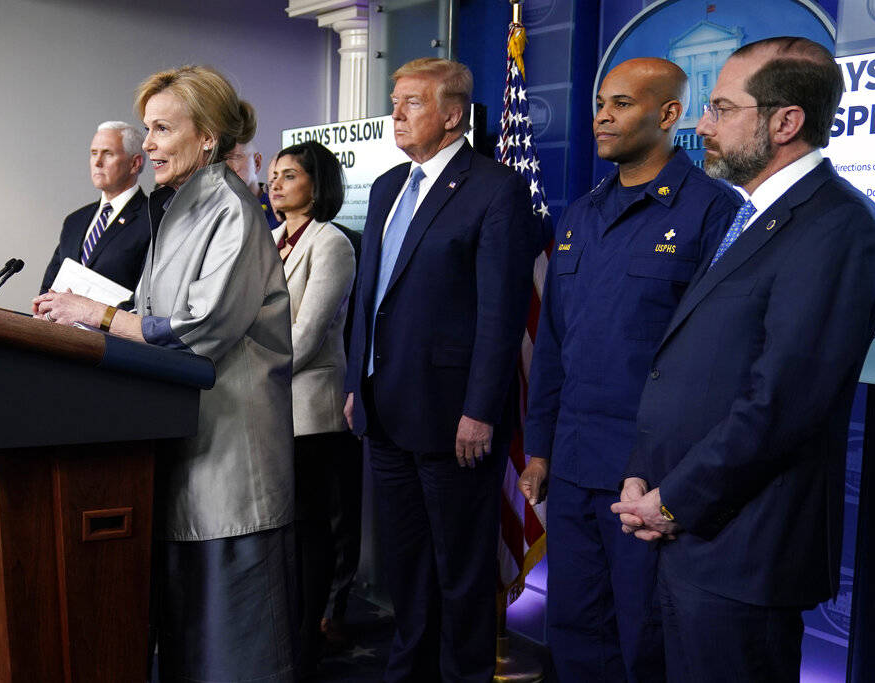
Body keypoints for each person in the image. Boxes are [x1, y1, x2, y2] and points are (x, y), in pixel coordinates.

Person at [611, 37, 875, 682]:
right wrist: (643, 475)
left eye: (721, 109)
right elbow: (695, 368)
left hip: (746, 551)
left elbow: (781, 403)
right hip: (690, 535)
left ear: (785, 122)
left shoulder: (836, 226)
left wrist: (673, 499)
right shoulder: (753, 215)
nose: (702, 126)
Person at [33, 65, 296, 683]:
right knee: (189, 645)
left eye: (160, 129)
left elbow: (201, 328)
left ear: (207, 137)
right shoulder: (178, 208)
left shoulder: (231, 209)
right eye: (146, 129)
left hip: (233, 458)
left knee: (236, 649)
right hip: (186, 446)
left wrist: (97, 314)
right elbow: (152, 317)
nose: (146, 144)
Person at [518, 58, 740, 683]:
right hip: (573, 465)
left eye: (621, 104)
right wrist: (538, 448)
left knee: (646, 642)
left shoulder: (713, 213)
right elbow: (556, 344)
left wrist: (677, 481)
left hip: (648, 480)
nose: (601, 118)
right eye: (599, 105)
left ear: (669, 115)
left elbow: (716, 364)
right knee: (573, 631)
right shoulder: (581, 214)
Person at [343, 57, 539, 682]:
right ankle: (409, 673)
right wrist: (356, 382)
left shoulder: (492, 187)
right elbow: (369, 296)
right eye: (395, 101)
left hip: (454, 415)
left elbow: (501, 313)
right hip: (385, 407)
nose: (395, 114)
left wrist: (480, 409)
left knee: (461, 569)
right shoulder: (385, 186)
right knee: (406, 564)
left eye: (412, 103)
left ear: (452, 115)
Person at [267, 140, 355, 677]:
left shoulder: (332, 242)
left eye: (290, 175)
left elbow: (308, 331)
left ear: (316, 185)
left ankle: (306, 643)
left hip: (309, 410)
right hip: (269, 406)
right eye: (274, 175)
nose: (276, 184)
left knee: (309, 529)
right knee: (283, 531)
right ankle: (282, 637)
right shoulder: (271, 239)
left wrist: (257, 374)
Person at [39, 121, 150, 293]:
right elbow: (48, 288)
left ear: (135, 163)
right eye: (93, 153)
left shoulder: (152, 219)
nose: (97, 162)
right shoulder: (74, 221)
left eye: (108, 154)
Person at [224, 99, 279, 229]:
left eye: (235, 157)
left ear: (257, 162)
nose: (226, 167)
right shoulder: (215, 214)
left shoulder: (279, 213)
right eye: (220, 159)